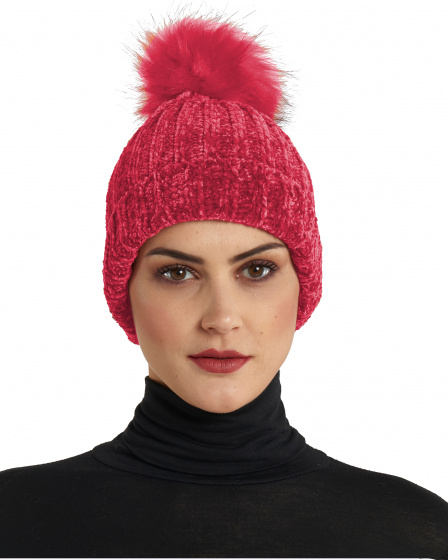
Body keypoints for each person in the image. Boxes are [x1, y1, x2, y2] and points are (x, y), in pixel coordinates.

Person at [1, 8, 448, 559]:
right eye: (177, 273)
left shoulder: (416, 534)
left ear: (303, 286)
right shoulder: (14, 521)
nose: (221, 317)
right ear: (124, 291)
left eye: (256, 270)